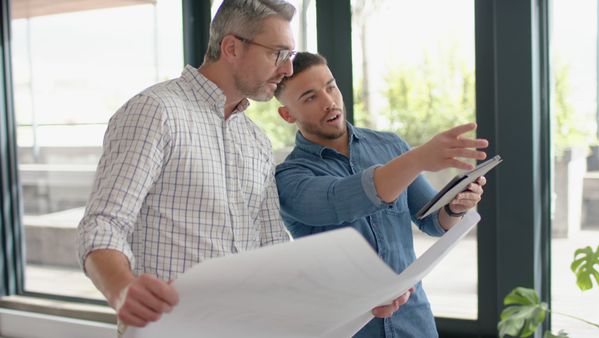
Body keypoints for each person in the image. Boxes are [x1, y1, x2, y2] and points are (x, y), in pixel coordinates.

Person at [77, 1, 409, 334]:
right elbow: (102, 223)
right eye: (277, 54)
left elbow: (275, 256)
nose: (287, 70)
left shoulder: (255, 141)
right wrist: (122, 289)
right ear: (232, 47)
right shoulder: (155, 112)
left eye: (289, 56)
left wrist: (357, 297)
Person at [274, 52, 489, 337]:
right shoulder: (289, 177)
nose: (329, 102)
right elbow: (342, 199)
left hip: (414, 322)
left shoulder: (390, 146)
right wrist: (418, 158)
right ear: (288, 114)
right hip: (349, 329)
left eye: (330, 86)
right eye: (310, 97)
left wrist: (455, 207)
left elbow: (433, 222)